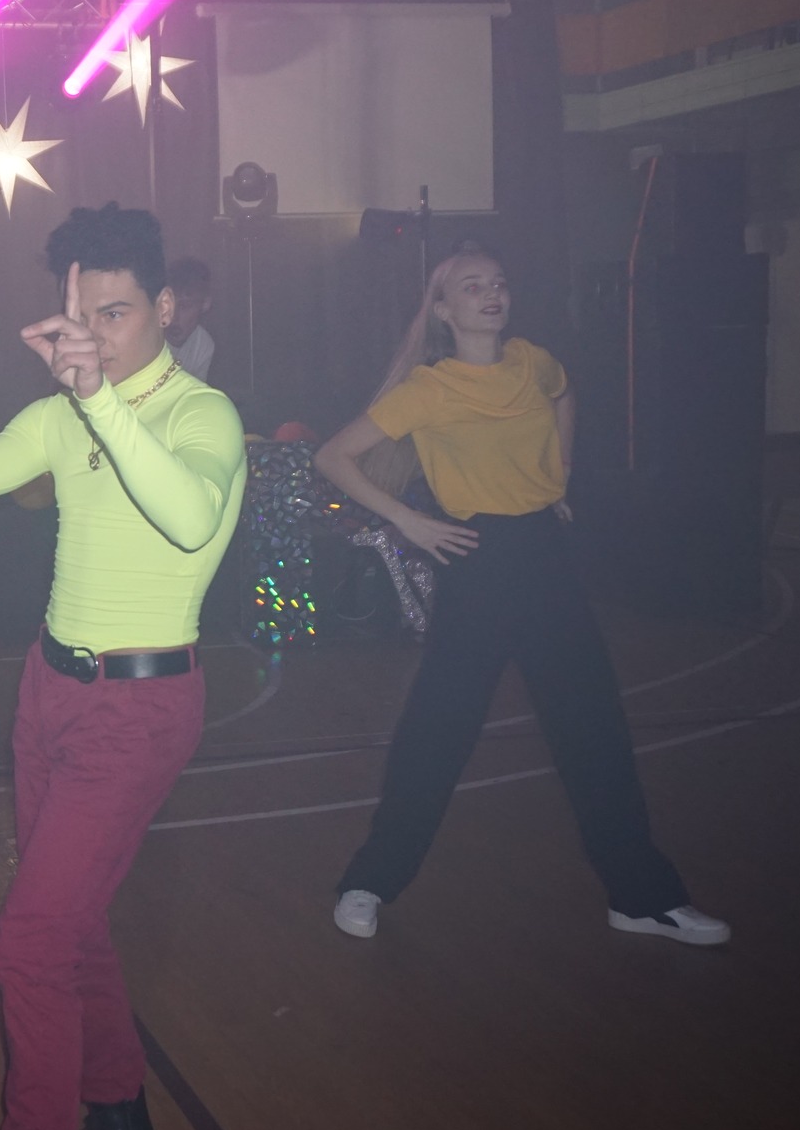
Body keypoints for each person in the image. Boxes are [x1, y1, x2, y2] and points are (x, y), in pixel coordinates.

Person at [0, 204, 246, 1130]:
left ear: (164, 307)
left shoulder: (202, 412)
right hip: (48, 691)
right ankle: (118, 1106)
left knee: (27, 946)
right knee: (71, 921)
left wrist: (100, 400)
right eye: (83, 315)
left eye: (116, 314)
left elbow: (191, 518)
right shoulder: (63, 415)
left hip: (140, 707)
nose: (96, 336)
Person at [309, 248, 730, 949]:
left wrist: (558, 474)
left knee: (593, 729)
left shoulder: (534, 363)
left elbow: (565, 395)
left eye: (499, 283)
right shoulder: (430, 387)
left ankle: (642, 897)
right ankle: (371, 880)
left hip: (545, 555)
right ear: (443, 309)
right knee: (438, 731)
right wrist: (408, 520)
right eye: (472, 286)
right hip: (476, 559)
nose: (491, 293)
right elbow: (333, 455)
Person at [162, 256, 215, 384]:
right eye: (169, 306)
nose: (174, 317)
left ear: (205, 304)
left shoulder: (203, 345)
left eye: (185, 307)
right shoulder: (147, 341)